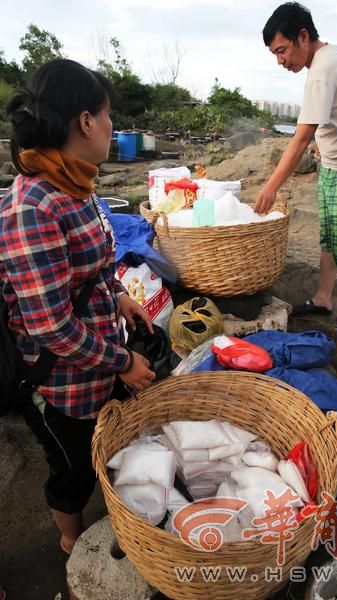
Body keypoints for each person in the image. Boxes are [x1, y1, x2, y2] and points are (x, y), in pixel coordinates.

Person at [0, 59, 156, 554]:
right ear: (86, 121)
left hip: (97, 359)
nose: (112, 126)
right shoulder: (32, 207)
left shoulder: (76, 183)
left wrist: (120, 295)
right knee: (71, 467)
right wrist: (124, 361)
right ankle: (70, 541)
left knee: (102, 445)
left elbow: (94, 265)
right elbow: (50, 326)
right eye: (107, 114)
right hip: (59, 381)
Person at [255, 2, 337, 342]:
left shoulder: (323, 69)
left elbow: (300, 137)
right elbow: (325, 121)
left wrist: (270, 187)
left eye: (282, 50)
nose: (280, 61)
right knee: (330, 236)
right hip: (334, 164)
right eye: (275, 54)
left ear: (303, 36)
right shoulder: (323, 60)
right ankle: (323, 299)